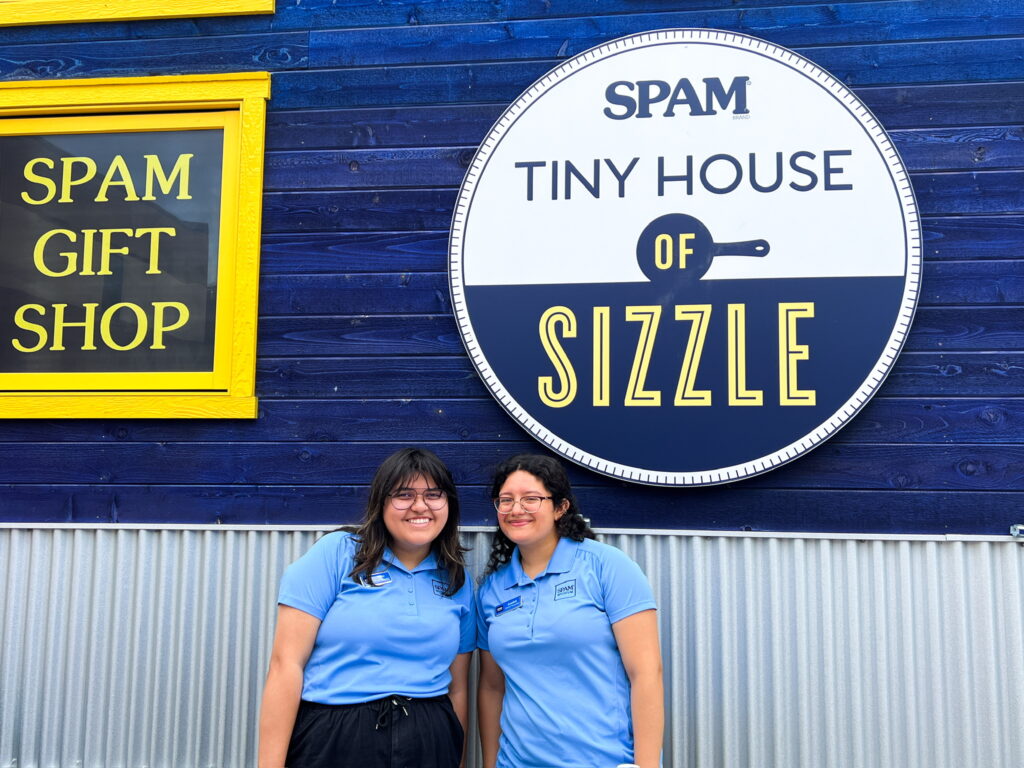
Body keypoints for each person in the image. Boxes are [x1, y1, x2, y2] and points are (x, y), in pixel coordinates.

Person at [258, 447, 474, 768]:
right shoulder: (337, 554)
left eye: (433, 494)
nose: (420, 506)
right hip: (336, 738)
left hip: (430, 740)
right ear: (381, 503)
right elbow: (285, 665)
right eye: (403, 495)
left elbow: (457, 688)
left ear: (449, 505)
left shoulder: (456, 576)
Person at [476, 454, 664, 768]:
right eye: (505, 500)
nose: (516, 509)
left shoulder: (607, 566)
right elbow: (492, 687)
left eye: (531, 498)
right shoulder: (492, 590)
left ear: (560, 508)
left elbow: (646, 674)